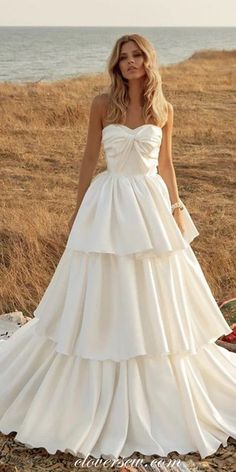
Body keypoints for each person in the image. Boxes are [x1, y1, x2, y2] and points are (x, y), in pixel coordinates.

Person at [0, 33, 236, 465]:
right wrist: (77, 210)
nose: (130, 62)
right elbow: (90, 158)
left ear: (148, 61)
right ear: (116, 63)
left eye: (137, 55)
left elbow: (166, 164)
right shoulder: (100, 104)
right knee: (102, 281)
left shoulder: (163, 108)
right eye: (123, 56)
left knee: (154, 288)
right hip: (107, 204)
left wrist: (177, 205)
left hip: (149, 206)